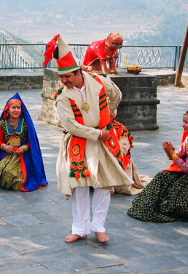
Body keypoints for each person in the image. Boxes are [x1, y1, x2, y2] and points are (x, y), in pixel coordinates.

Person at [43, 34, 133, 243]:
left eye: (68, 77)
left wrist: (109, 114)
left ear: (78, 73)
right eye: (61, 78)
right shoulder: (63, 96)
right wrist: (97, 133)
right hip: (80, 142)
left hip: (103, 140)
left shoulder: (98, 81)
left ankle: (98, 226)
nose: (64, 81)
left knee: (105, 184)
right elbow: (71, 125)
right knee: (80, 186)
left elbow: (116, 95)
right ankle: (80, 228)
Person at [127, 110, 188, 222]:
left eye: (186, 122)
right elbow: (179, 155)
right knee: (162, 176)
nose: (183, 125)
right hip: (186, 175)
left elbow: (187, 168)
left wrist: (172, 154)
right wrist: (170, 151)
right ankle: (146, 205)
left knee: (176, 202)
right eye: (183, 121)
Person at [0, 93, 48, 191]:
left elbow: (32, 142)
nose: (16, 110)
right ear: (8, 109)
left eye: (18, 108)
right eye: (13, 108)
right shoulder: (3, 123)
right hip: (8, 153)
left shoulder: (26, 122)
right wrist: (5, 147)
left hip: (23, 154)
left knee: (12, 175)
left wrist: (24, 148)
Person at [110, 110, 152, 195]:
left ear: (113, 116)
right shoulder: (96, 127)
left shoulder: (120, 129)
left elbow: (123, 150)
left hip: (118, 161)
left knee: (125, 188)